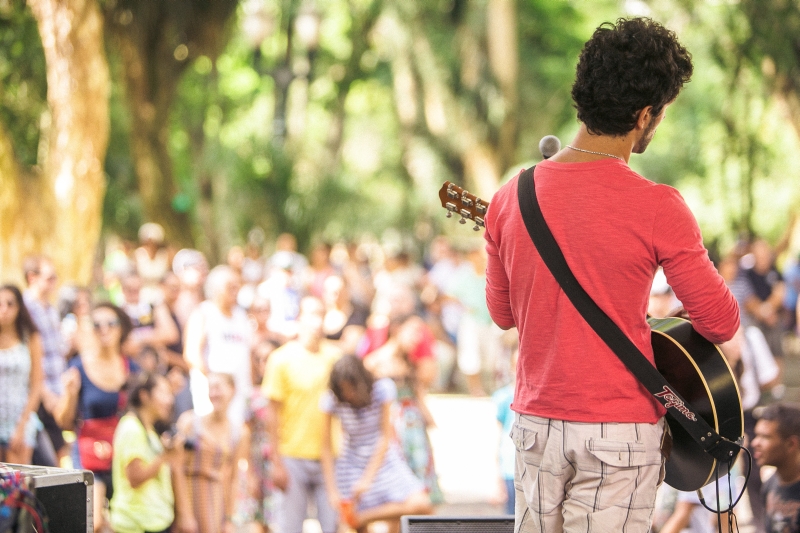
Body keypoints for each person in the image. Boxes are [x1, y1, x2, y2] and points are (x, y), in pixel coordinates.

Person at [483, 18, 740, 532]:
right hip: (617, 433)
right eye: (660, 114)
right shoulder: (657, 206)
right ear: (645, 114)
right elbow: (721, 322)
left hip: (535, 425)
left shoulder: (511, 195)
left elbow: (503, 315)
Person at [320, 355, 432, 533]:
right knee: (351, 526)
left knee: (420, 504)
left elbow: (384, 436)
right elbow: (325, 447)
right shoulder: (332, 399)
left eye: (351, 389)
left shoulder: (381, 389)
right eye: (343, 391)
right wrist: (332, 490)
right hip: (351, 462)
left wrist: (367, 480)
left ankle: (364, 516)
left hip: (383, 459)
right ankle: (360, 520)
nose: (348, 395)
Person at [55, 302, 138, 532]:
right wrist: (70, 395)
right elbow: (64, 421)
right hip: (88, 453)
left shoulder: (132, 368)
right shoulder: (78, 366)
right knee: (93, 522)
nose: (104, 329)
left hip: (124, 454)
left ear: (121, 328)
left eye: (111, 323)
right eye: (97, 324)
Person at [262, 296, 341, 533]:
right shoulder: (281, 359)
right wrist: (276, 461)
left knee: (332, 524)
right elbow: (272, 414)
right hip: (292, 455)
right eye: (311, 315)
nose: (316, 322)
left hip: (330, 456)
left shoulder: (336, 358)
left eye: (321, 315)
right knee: (290, 527)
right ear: (300, 319)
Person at [109, 372, 195, 533]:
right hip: (137, 524)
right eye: (163, 393)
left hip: (152, 521)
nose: (169, 400)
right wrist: (165, 457)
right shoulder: (132, 428)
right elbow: (135, 477)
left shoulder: (148, 429)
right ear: (144, 396)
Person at [176, 372, 250, 533]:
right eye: (210, 389)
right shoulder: (189, 422)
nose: (213, 394)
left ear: (232, 390)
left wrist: (230, 518)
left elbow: (234, 477)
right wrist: (184, 513)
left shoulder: (239, 432)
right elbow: (176, 469)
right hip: (189, 496)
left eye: (218, 388)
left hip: (216, 504)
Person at [184, 265, 253, 427]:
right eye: (230, 287)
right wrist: (214, 383)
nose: (235, 291)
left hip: (239, 393)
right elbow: (192, 354)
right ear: (216, 289)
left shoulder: (241, 316)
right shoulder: (204, 313)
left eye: (237, 287)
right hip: (213, 395)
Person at [22, 256, 67, 466]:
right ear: (32, 277)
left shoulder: (50, 309)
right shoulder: (23, 310)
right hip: (38, 396)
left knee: (60, 455)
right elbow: (27, 358)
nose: (54, 283)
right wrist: (44, 393)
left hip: (56, 394)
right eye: (49, 278)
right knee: (47, 460)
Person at [0, 285, 44, 465]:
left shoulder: (30, 337)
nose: (4, 310)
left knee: (16, 484)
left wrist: (22, 426)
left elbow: (36, 384)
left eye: (10, 304)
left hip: (19, 418)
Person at [752, 402, 800, 533]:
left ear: (791, 444)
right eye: (756, 435)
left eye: (765, 437)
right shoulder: (770, 485)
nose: (755, 443)